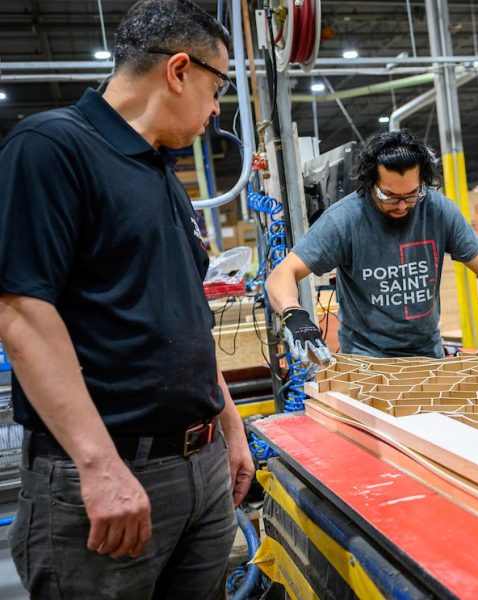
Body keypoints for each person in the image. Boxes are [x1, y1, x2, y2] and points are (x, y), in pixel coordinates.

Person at [0, 1, 254, 598]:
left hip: (201, 466)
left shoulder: (162, 174)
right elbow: (21, 311)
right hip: (110, 476)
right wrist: (99, 464)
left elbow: (183, 318)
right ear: (180, 71)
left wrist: (231, 429)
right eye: (218, 88)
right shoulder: (52, 148)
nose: (217, 110)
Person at [266, 130, 478, 361]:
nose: (403, 206)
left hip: (428, 356)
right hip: (369, 361)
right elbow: (282, 275)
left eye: (412, 194)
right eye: (390, 197)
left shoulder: (438, 210)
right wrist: (295, 315)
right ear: (370, 183)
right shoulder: (344, 220)